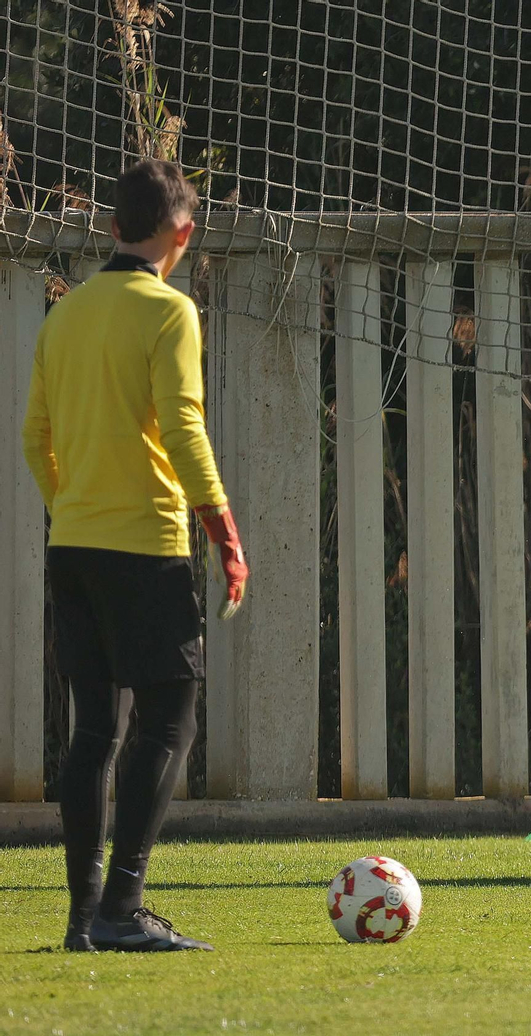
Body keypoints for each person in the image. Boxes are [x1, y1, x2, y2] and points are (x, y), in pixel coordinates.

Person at [21, 158, 249, 951]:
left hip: (74, 544)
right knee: (170, 718)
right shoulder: (170, 312)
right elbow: (184, 432)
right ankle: (122, 910)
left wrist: (73, 504)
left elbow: (34, 441)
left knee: (93, 733)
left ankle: (85, 917)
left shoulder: (66, 316)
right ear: (182, 235)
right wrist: (225, 534)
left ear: (113, 228)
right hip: (144, 543)